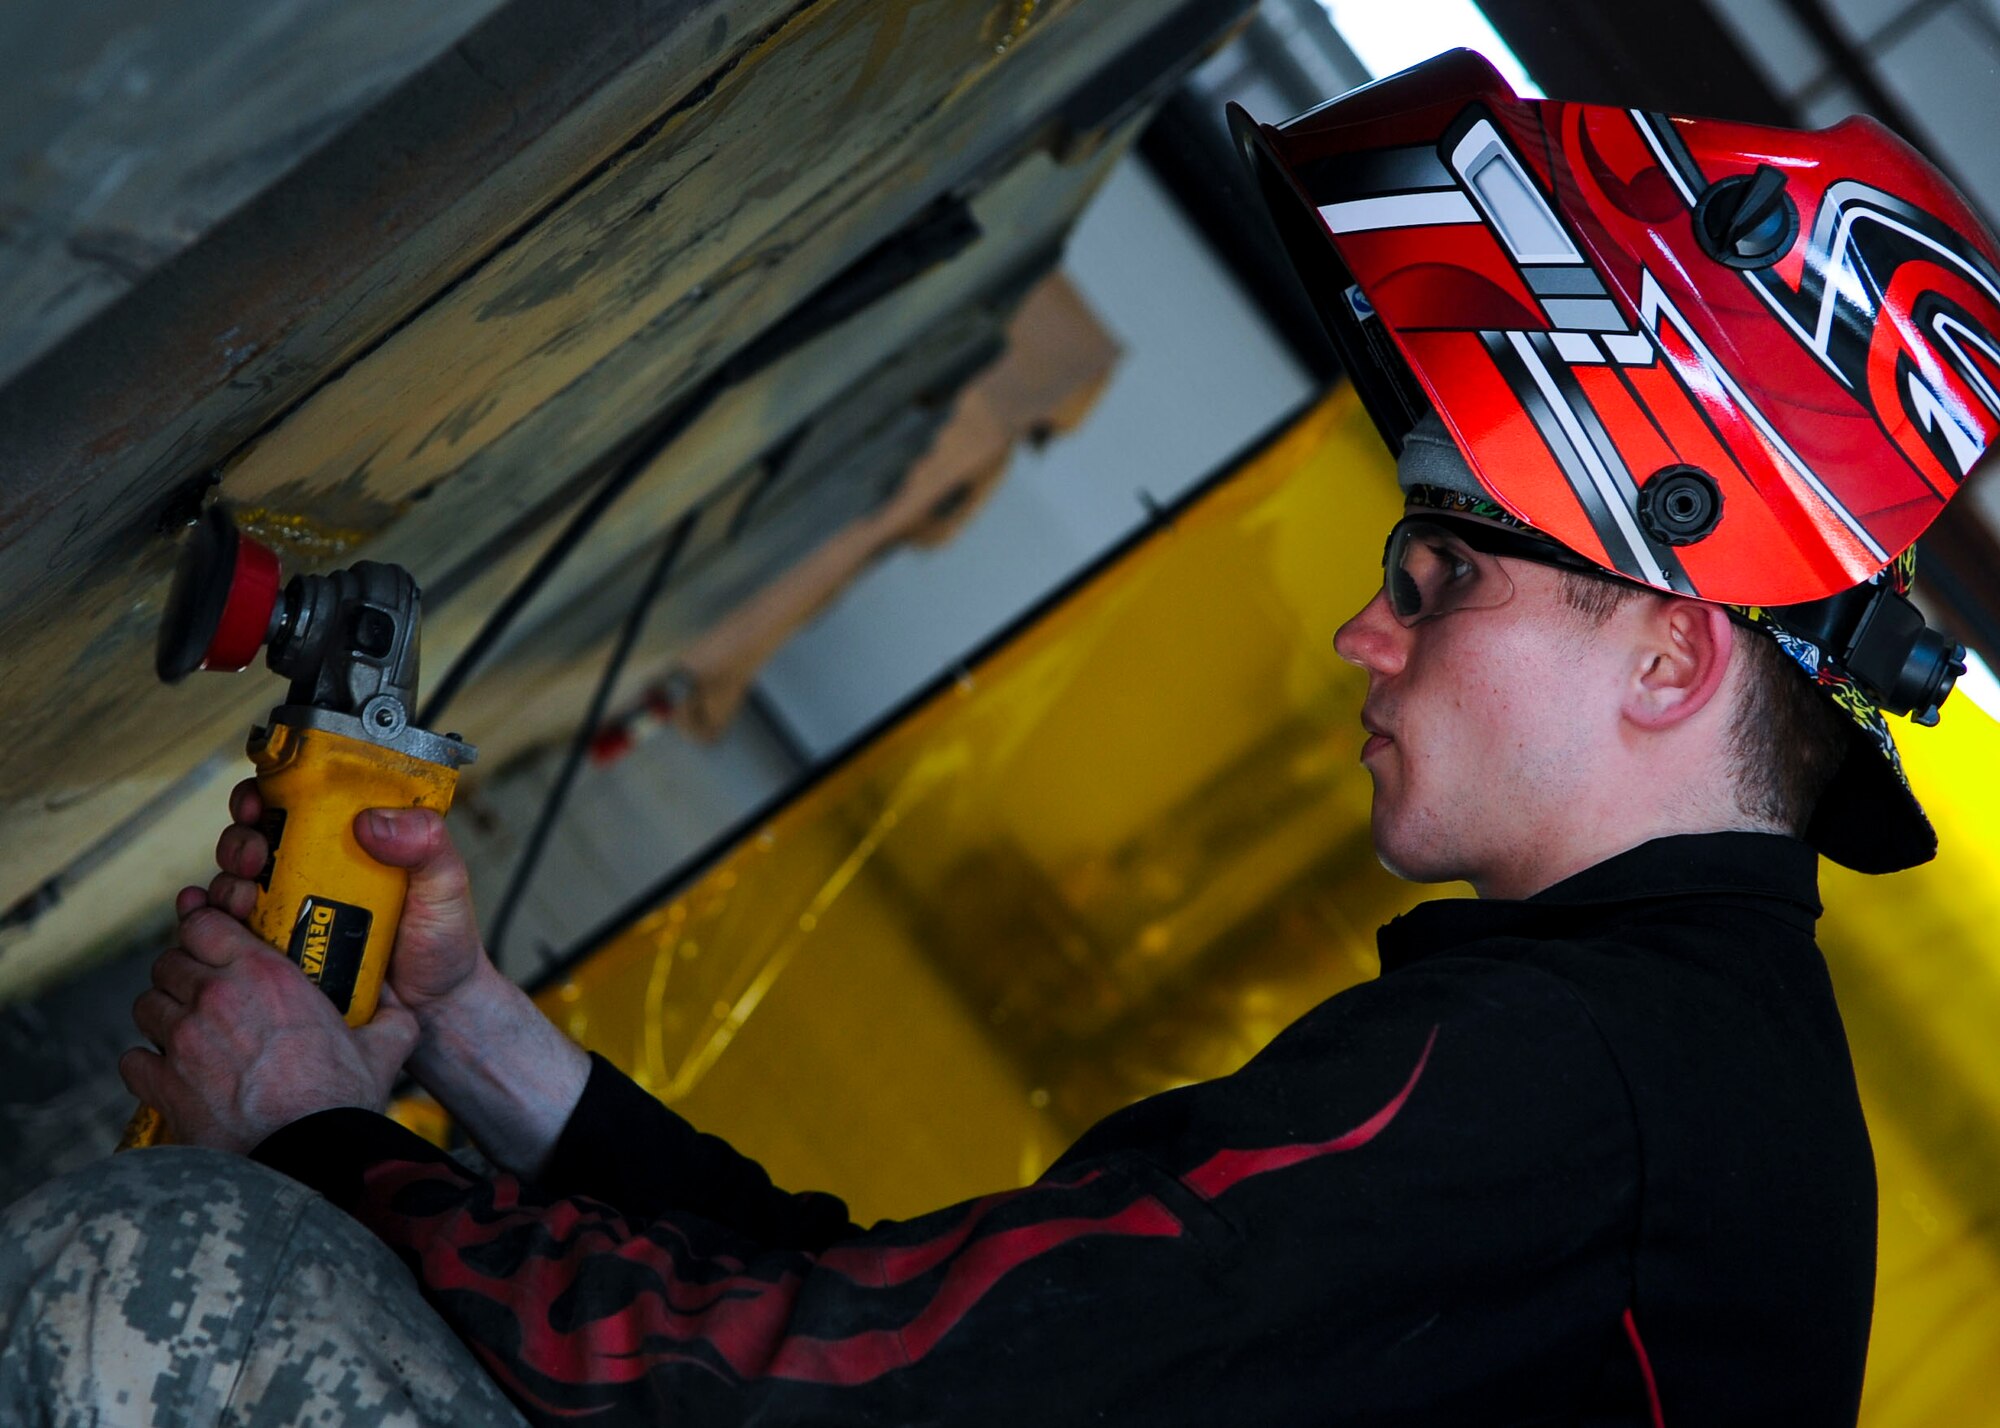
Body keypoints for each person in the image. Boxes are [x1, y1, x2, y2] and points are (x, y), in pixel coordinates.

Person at [6, 47, 1998, 1428]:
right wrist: (471, 1041)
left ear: (1665, 654)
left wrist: (318, 1142)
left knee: (161, 1279)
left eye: (1435, 569)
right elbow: (932, 1319)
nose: (1356, 632)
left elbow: (841, 1398)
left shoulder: (1578, 1084)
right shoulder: (1655, 1071)